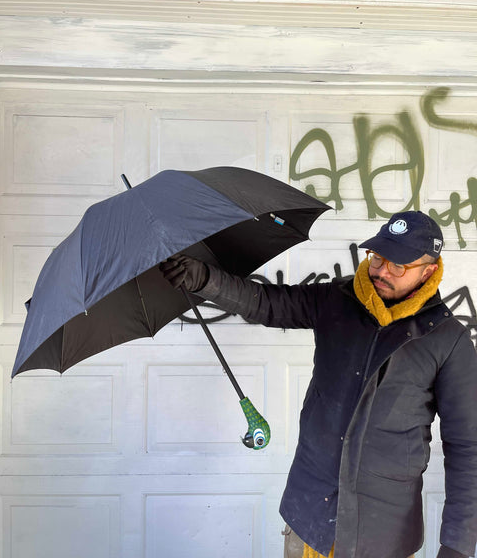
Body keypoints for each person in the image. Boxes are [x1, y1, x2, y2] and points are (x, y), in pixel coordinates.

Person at [161, 211, 477, 558]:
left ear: (429, 271)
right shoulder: (337, 299)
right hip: (309, 518)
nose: (383, 271)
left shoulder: (448, 340)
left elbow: (467, 449)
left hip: (383, 534)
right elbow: (267, 304)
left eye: (398, 265)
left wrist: (458, 546)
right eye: (379, 257)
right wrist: (204, 278)